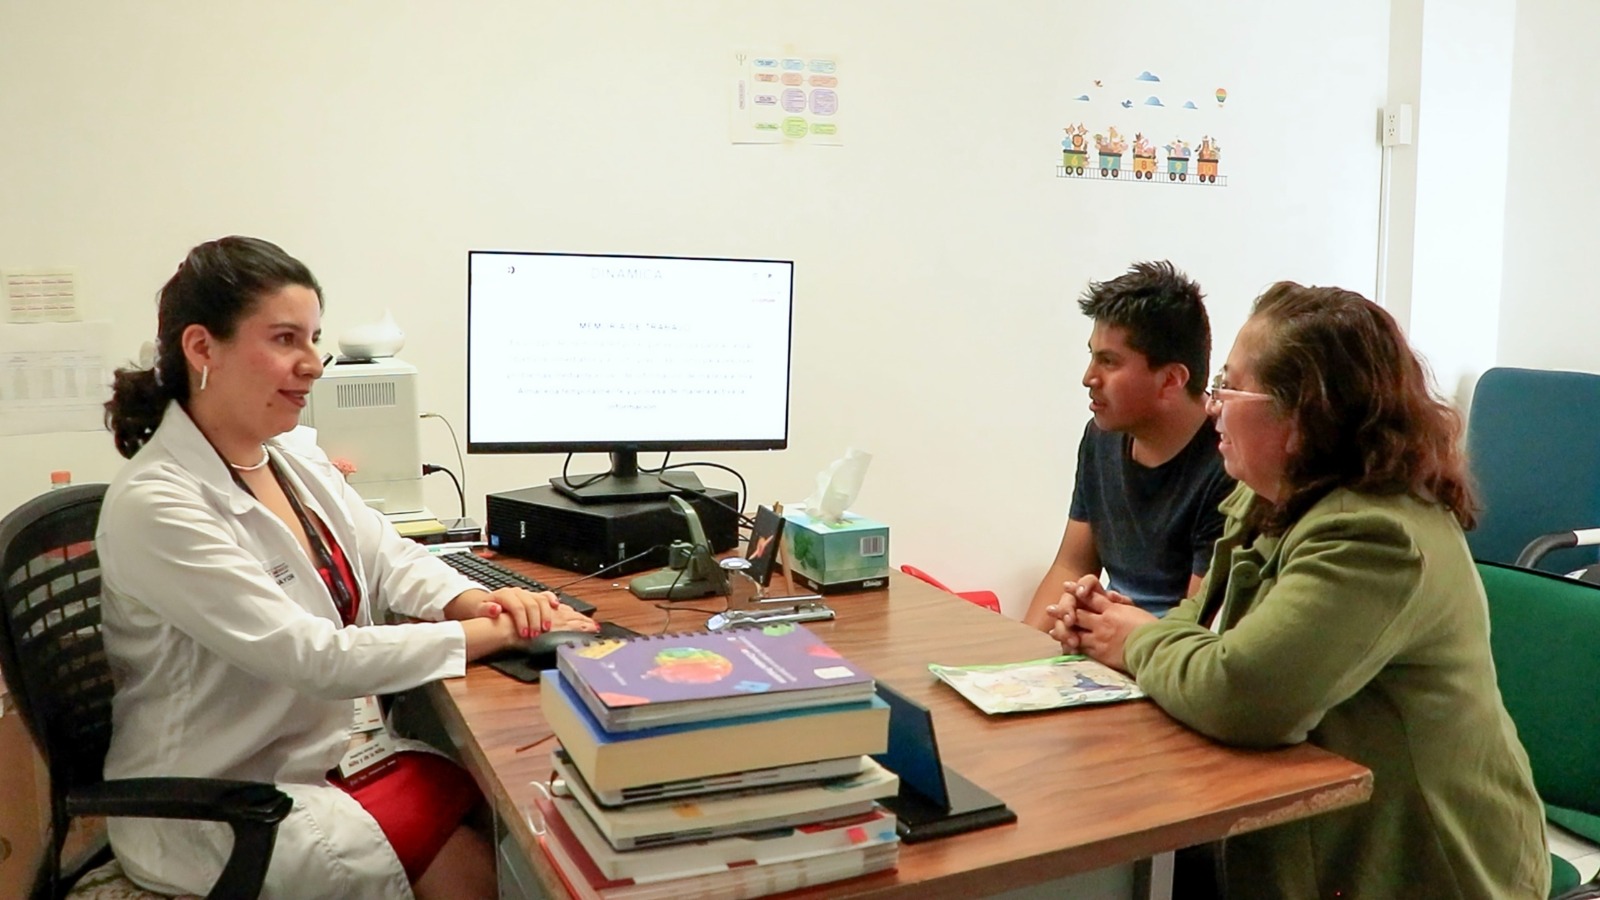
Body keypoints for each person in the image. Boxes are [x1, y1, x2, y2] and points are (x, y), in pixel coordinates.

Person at [98, 236, 599, 899]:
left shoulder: (291, 460)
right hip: (224, 797)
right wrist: (497, 633)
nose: (312, 364)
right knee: (496, 849)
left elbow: (391, 559)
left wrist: (474, 602)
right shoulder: (158, 504)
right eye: (285, 339)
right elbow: (313, 657)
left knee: (519, 816)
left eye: (313, 339)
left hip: (321, 757)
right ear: (202, 348)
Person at [1050, 283, 1550, 897]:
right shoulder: (1266, 496)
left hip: (1419, 872)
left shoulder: (1373, 536)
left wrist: (1134, 642)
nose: (1213, 407)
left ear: (1302, 416)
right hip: (1309, 840)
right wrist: (1137, 632)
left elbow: (1241, 695)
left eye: (1229, 387)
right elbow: (1199, 622)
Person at [1022, 260, 1234, 629]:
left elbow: (1196, 627)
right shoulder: (1100, 437)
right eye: (1092, 356)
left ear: (1171, 379)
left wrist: (1114, 632)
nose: (1089, 377)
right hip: (1107, 639)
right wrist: (1023, 653)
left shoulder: (1228, 461)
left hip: (1163, 651)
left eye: (1108, 361)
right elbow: (1071, 566)